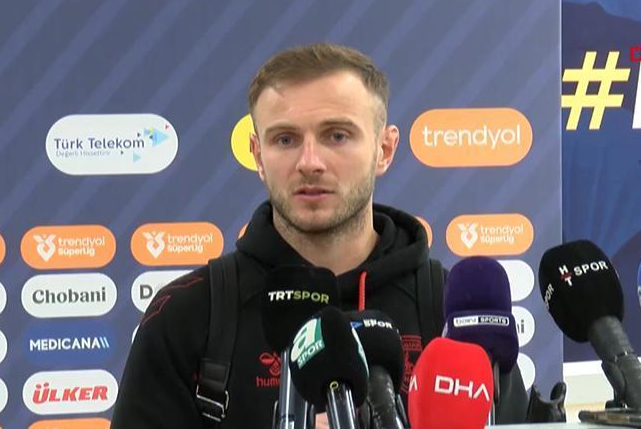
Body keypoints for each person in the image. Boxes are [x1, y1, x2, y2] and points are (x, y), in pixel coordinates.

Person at [110, 42, 528, 428]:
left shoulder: (455, 315)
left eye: (337, 135)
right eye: (286, 139)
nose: (310, 161)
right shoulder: (187, 315)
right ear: (258, 155)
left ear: (384, 150)